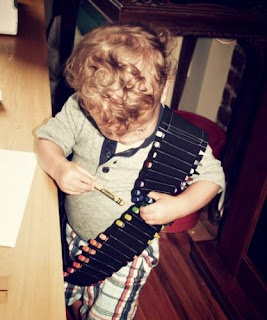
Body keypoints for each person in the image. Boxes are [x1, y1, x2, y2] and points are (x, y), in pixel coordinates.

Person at [36, 22, 225, 320]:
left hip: (128, 253)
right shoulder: (82, 107)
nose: (118, 136)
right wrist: (59, 167)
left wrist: (179, 205)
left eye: (134, 129)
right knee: (54, 296)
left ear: (160, 92)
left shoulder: (180, 140)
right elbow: (47, 140)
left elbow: (213, 178)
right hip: (71, 234)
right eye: (105, 125)